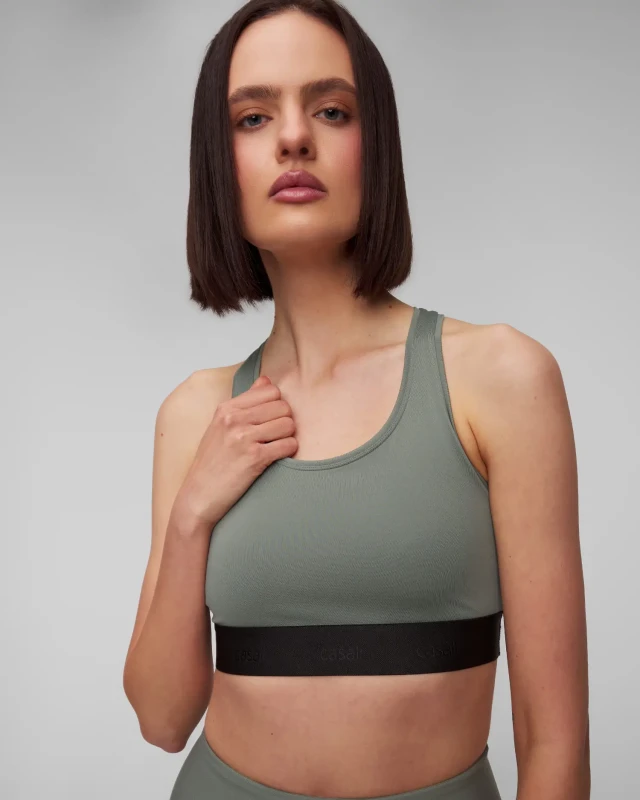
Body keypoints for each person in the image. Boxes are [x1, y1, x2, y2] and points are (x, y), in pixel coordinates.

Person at [122, 1, 590, 798]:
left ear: (378, 147)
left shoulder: (501, 377)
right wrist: (192, 512)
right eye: (253, 117)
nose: (293, 137)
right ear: (217, 163)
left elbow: (555, 743)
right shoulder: (196, 414)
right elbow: (163, 720)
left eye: (332, 110)